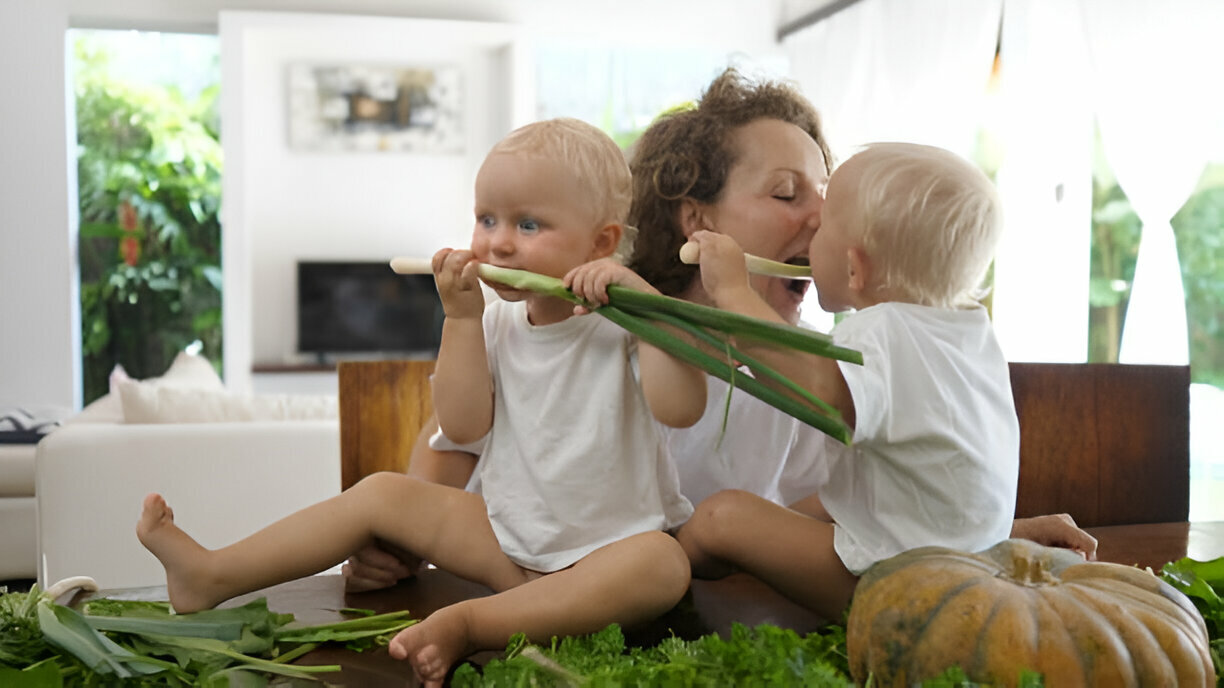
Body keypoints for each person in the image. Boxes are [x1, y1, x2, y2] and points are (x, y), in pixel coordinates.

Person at [342, 69, 1098, 592]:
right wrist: (394, 545)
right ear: (696, 221)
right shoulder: (592, 328)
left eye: (827, 201)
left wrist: (983, 541)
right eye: (786, 193)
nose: (816, 219)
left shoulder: (823, 368)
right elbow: (454, 441)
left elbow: (823, 518)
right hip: (533, 576)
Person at [135, 117, 707, 687]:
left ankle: (471, 623)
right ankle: (211, 573)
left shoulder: (624, 323)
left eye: (528, 224)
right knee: (384, 492)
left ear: (602, 242)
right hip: (509, 546)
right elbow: (462, 424)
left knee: (664, 563)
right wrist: (460, 319)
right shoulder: (496, 322)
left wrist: (648, 312)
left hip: (603, 565)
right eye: (487, 219)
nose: (498, 240)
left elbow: (680, 407)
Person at [676, 141, 1021, 619]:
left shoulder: (885, 331)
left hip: (899, 581)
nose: (811, 227)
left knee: (722, 516)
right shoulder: (969, 336)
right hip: (962, 567)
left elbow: (812, 391)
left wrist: (733, 289)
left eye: (823, 229)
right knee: (811, 508)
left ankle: (662, 587)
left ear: (855, 268)